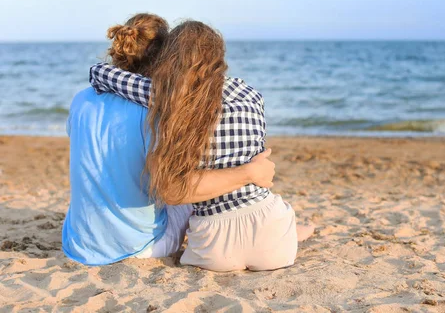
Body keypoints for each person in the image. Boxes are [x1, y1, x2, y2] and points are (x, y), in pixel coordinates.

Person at [90, 20, 314, 272]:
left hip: (212, 248)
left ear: (171, 58)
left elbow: (98, 73)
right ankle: (294, 230)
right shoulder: (251, 93)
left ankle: (294, 229)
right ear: (219, 56)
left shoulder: (170, 96)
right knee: (265, 195)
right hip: (272, 240)